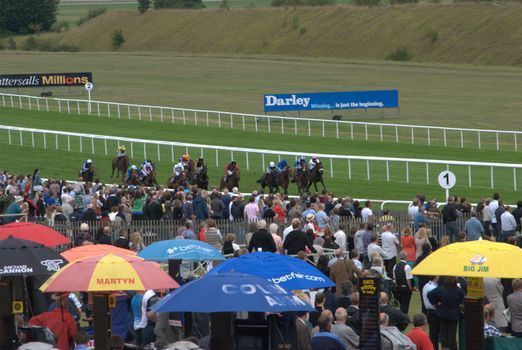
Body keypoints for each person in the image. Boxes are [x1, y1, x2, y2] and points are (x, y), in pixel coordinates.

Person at [427, 276, 465, 349]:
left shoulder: (440, 289)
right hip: (454, 315)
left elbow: (430, 294)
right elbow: (463, 299)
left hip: (442, 314)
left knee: (444, 333)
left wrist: (435, 302)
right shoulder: (459, 291)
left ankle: (445, 348)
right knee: (452, 334)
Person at [422, 275, 440, 349]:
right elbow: (436, 301)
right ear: (435, 277)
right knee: (434, 333)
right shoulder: (433, 288)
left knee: (433, 332)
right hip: (433, 311)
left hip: (429, 311)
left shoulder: (426, 285)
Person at [393, 250, 414, 315]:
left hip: (398, 287)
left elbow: (394, 278)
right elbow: (408, 279)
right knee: (405, 304)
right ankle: (404, 318)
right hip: (406, 288)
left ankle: (402, 316)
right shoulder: (407, 267)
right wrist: (410, 288)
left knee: (402, 304)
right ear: (406, 257)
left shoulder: (395, 266)